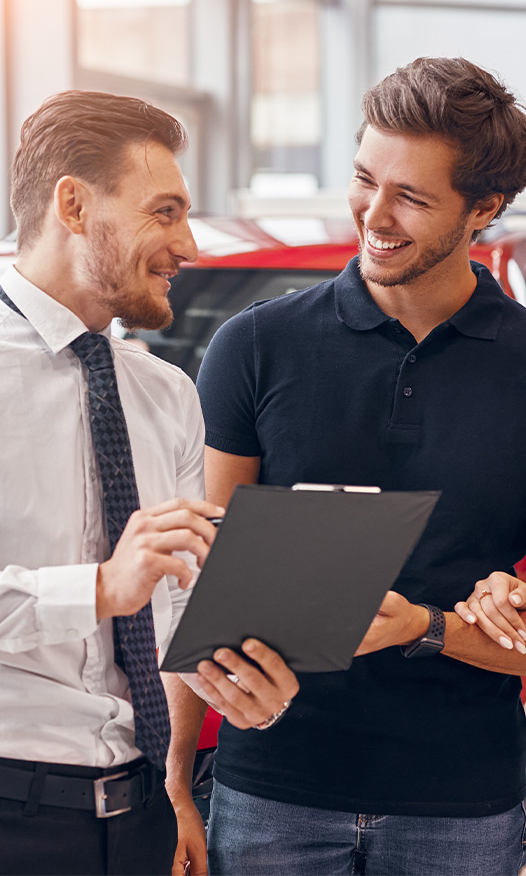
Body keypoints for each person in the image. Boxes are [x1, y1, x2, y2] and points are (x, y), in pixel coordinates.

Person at [171, 58, 526, 876]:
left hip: (463, 803)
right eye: (367, 179)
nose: (376, 214)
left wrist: (427, 627)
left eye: (412, 196)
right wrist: (178, 775)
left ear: (485, 208)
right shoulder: (255, 346)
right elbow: (204, 578)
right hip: (269, 793)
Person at [0, 90, 298, 876]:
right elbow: (121, 589)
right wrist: (98, 586)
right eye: (164, 211)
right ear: (72, 203)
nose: (188, 242)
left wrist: (234, 693)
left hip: (138, 816)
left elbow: (169, 613)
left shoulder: (166, 393)